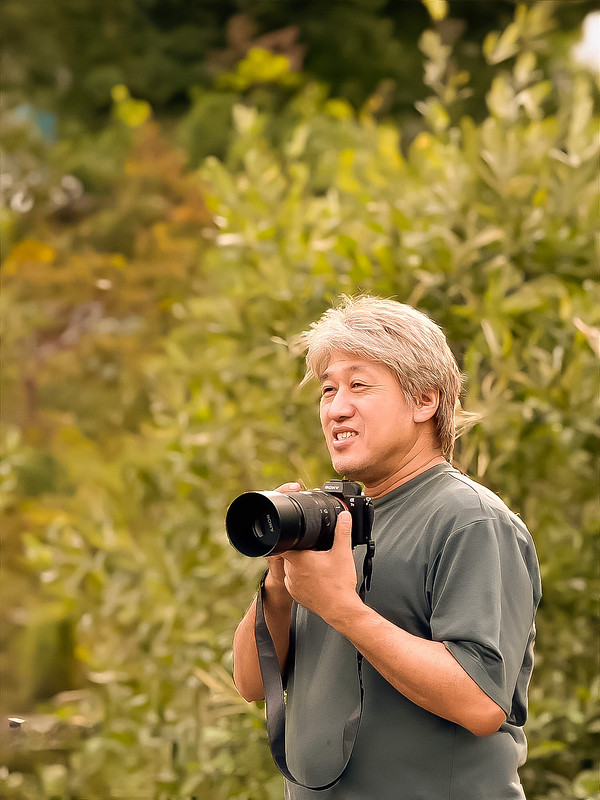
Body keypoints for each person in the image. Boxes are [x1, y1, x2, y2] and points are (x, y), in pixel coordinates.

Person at [232, 295, 541, 799]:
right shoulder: (330, 523)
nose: (336, 408)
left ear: (425, 400)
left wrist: (343, 610)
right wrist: (280, 581)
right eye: (327, 390)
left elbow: (482, 703)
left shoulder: (469, 520)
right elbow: (251, 684)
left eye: (359, 385)